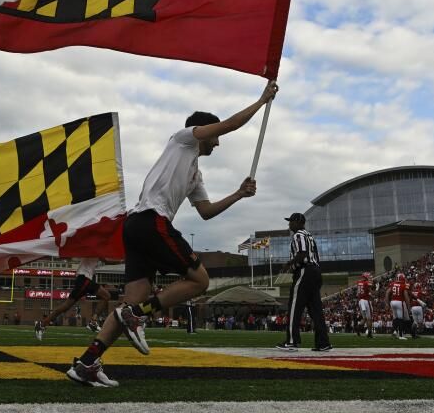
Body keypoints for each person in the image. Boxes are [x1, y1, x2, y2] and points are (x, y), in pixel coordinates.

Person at [66, 80, 278, 387]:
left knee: (131, 303)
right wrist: (261, 101)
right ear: (205, 130)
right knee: (200, 280)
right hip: (151, 220)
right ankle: (139, 315)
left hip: (138, 228)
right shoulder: (182, 139)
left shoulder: (195, 171)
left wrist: (239, 194)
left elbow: (205, 212)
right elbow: (230, 124)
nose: (217, 143)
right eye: (215, 135)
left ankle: (87, 362)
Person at [274, 212, 330, 352]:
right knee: (316, 310)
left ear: (299, 222)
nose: (289, 224)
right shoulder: (309, 236)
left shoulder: (299, 235)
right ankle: (323, 343)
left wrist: (288, 264)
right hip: (315, 271)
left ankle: (292, 341)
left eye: (291, 221)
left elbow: (303, 253)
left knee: (294, 306)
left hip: (305, 271)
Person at [35, 259, 112, 341]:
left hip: (84, 280)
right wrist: (122, 260)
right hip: (84, 280)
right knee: (106, 296)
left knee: (66, 306)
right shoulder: (94, 249)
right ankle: (92, 322)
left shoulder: (95, 251)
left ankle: (42, 324)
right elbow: (107, 260)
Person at [385, 272, 410, 340]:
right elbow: (406, 297)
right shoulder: (403, 285)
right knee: (400, 319)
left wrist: (387, 303)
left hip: (392, 302)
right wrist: (408, 305)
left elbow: (387, 293)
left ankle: (394, 331)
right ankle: (401, 335)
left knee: (396, 318)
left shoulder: (393, 284)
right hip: (399, 302)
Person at [355, 272, 374, 338]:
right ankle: (369, 333)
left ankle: (358, 327)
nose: (369, 277)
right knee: (369, 318)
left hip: (360, 301)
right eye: (368, 276)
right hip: (366, 301)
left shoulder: (359, 282)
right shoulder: (366, 283)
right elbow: (371, 289)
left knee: (364, 318)